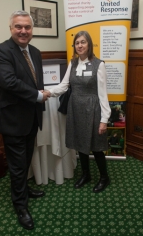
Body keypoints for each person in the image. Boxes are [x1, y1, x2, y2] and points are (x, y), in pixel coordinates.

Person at [0, 10, 49, 230]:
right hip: (13, 119)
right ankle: (21, 206)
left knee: (25, 161)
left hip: (32, 116)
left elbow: (35, 81)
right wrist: (38, 96)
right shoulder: (0, 51)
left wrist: (40, 93)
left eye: (27, 27)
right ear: (11, 28)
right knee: (16, 166)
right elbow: (9, 82)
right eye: (18, 27)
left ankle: (23, 190)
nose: (23, 31)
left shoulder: (35, 51)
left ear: (32, 30)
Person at [46, 31, 111, 193]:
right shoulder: (73, 63)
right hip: (75, 108)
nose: (80, 45)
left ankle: (104, 177)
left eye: (83, 42)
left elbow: (103, 94)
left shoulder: (99, 64)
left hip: (93, 108)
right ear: (74, 46)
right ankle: (86, 174)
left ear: (89, 44)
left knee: (96, 146)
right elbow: (63, 85)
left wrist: (104, 119)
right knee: (80, 144)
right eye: (77, 43)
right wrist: (48, 92)